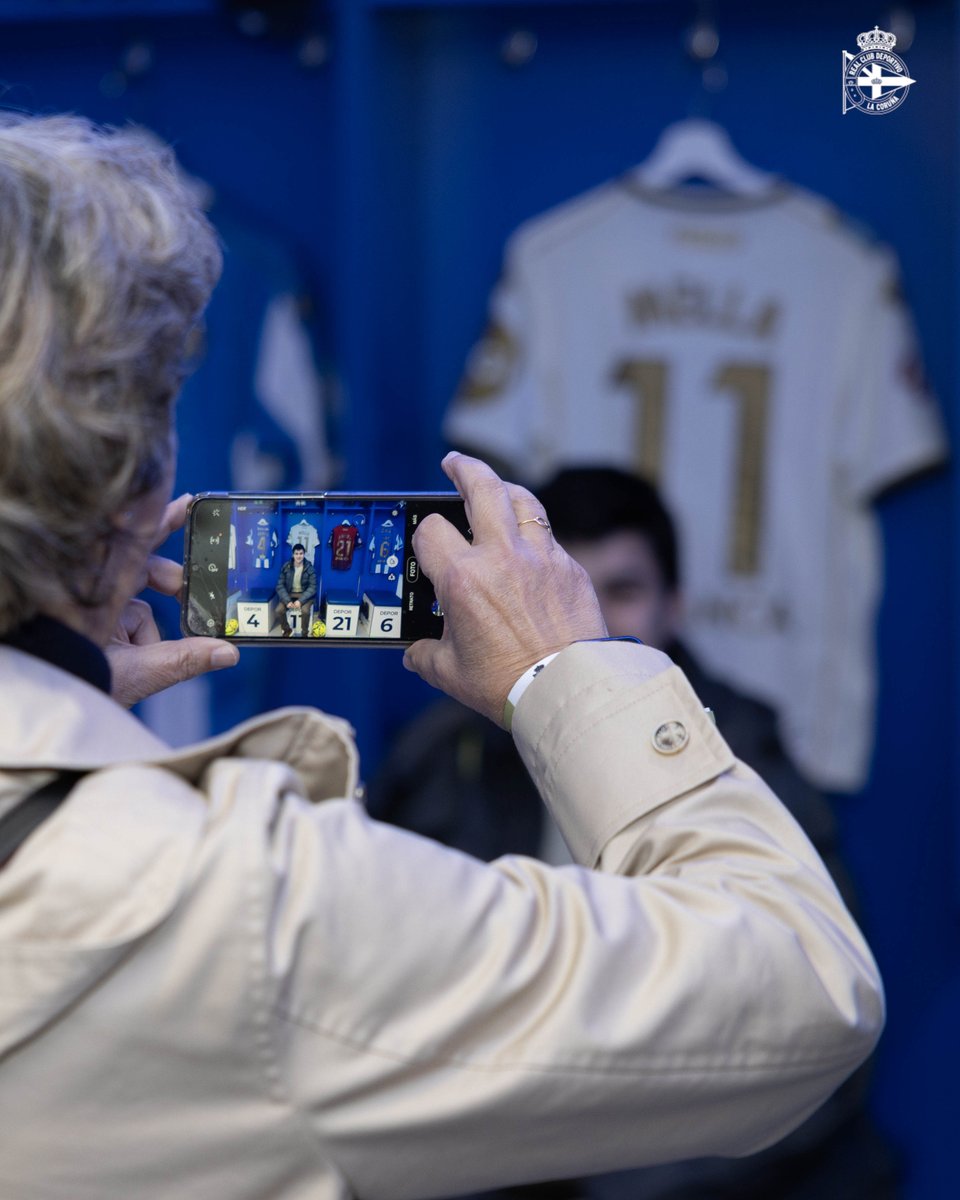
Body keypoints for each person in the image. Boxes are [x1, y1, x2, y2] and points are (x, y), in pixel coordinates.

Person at [0, 114, 883, 1200]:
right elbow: (800, 992)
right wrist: (570, 672)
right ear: (133, 492)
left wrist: (58, 696)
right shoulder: (242, 907)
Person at [372, 466, 897, 1198]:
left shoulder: (738, 747)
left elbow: (818, 1024)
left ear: (675, 606)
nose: (585, 624)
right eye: (562, 593)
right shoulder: (442, 753)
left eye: (618, 592)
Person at [276, 541, 318, 636]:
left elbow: (313, 587)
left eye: (301, 553)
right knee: (278, 610)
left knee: (305, 611)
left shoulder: (310, 568)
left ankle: (304, 634)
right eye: (296, 554)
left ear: (304, 554)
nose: (299, 556)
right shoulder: (286, 567)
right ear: (293, 554)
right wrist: (287, 601)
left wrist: (301, 601)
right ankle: (287, 630)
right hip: (290, 594)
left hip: (304, 595)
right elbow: (280, 585)